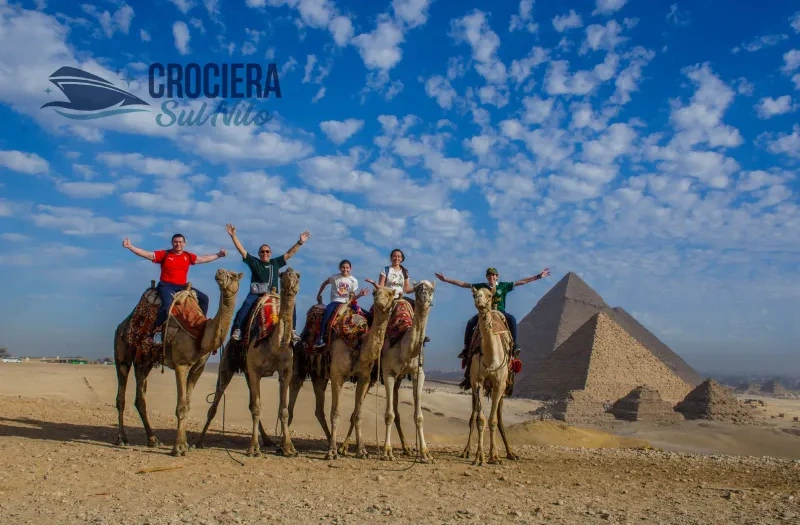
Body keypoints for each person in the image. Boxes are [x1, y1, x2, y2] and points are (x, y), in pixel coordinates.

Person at [122, 233, 227, 344]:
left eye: (180, 242)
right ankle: (157, 331)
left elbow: (203, 259)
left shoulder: (188, 256)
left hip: (182, 286)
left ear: (184, 243)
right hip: (166, 285)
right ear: (172, 243)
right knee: (167, 305)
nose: (178, 244)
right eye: (176, 242)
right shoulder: (165, 254)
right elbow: (147, 254)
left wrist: (219, 255)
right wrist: (130, 247)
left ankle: (201, 325)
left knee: (204, 298)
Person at [434, 266, 550, 358]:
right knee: (470, 323)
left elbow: (522, 282)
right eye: (489, 275)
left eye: (493, 275)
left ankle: (514, 345)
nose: (491, 277)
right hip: (485, 312)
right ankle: (466, 348)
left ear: (497, 276)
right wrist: (446, 280)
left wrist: (539, 276)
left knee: (513, 320)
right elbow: (464, 284)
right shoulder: (482, 286)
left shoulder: (504, 286)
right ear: (486, 277)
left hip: (499, 312)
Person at [226, 223, 311, 341]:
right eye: (262, 252)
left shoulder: (275, 263)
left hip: (273, 294)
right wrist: (233, 236)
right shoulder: (254, 262)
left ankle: (292, 330)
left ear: (270, 253)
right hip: (256, 294)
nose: (265, 253)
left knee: (291, 304)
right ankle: (238, 329)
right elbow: (241, 249)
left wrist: (300, 242)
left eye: (267, 251)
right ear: (259, 254)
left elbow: (290, 253)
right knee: (246, 305)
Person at [313, 259, 370, 348]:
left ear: (350, 268)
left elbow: (352, 298)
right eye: (343, 267)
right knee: (325, 316)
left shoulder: (353, 280)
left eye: (347, 267)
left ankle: (362, 340)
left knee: (364, 316)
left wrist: (360, 295)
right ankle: (320, 338)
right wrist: (319, 294)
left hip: (347, 303)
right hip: (336, 302)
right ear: (340, 268)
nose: (345, 269)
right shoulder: (335, 277)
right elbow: (324, 284)